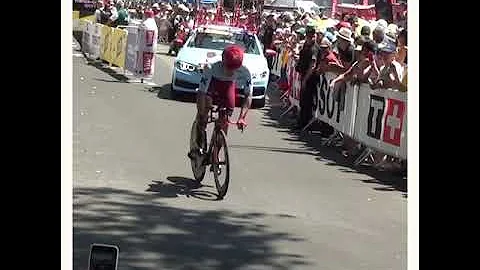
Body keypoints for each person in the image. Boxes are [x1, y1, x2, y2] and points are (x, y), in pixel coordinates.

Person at [188, 45, 252, 160]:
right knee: (204, 109)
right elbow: (201, 93)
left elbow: (248, 96)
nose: (231, 71)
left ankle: (215, 155)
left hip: (228, 87)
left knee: (225, 120)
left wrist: (242, 117)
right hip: (211, 86)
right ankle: (198, 141)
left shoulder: (245, 71)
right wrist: (202, 113)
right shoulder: (211, 67)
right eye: (228, 67)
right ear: (222, 61)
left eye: (235, 69)